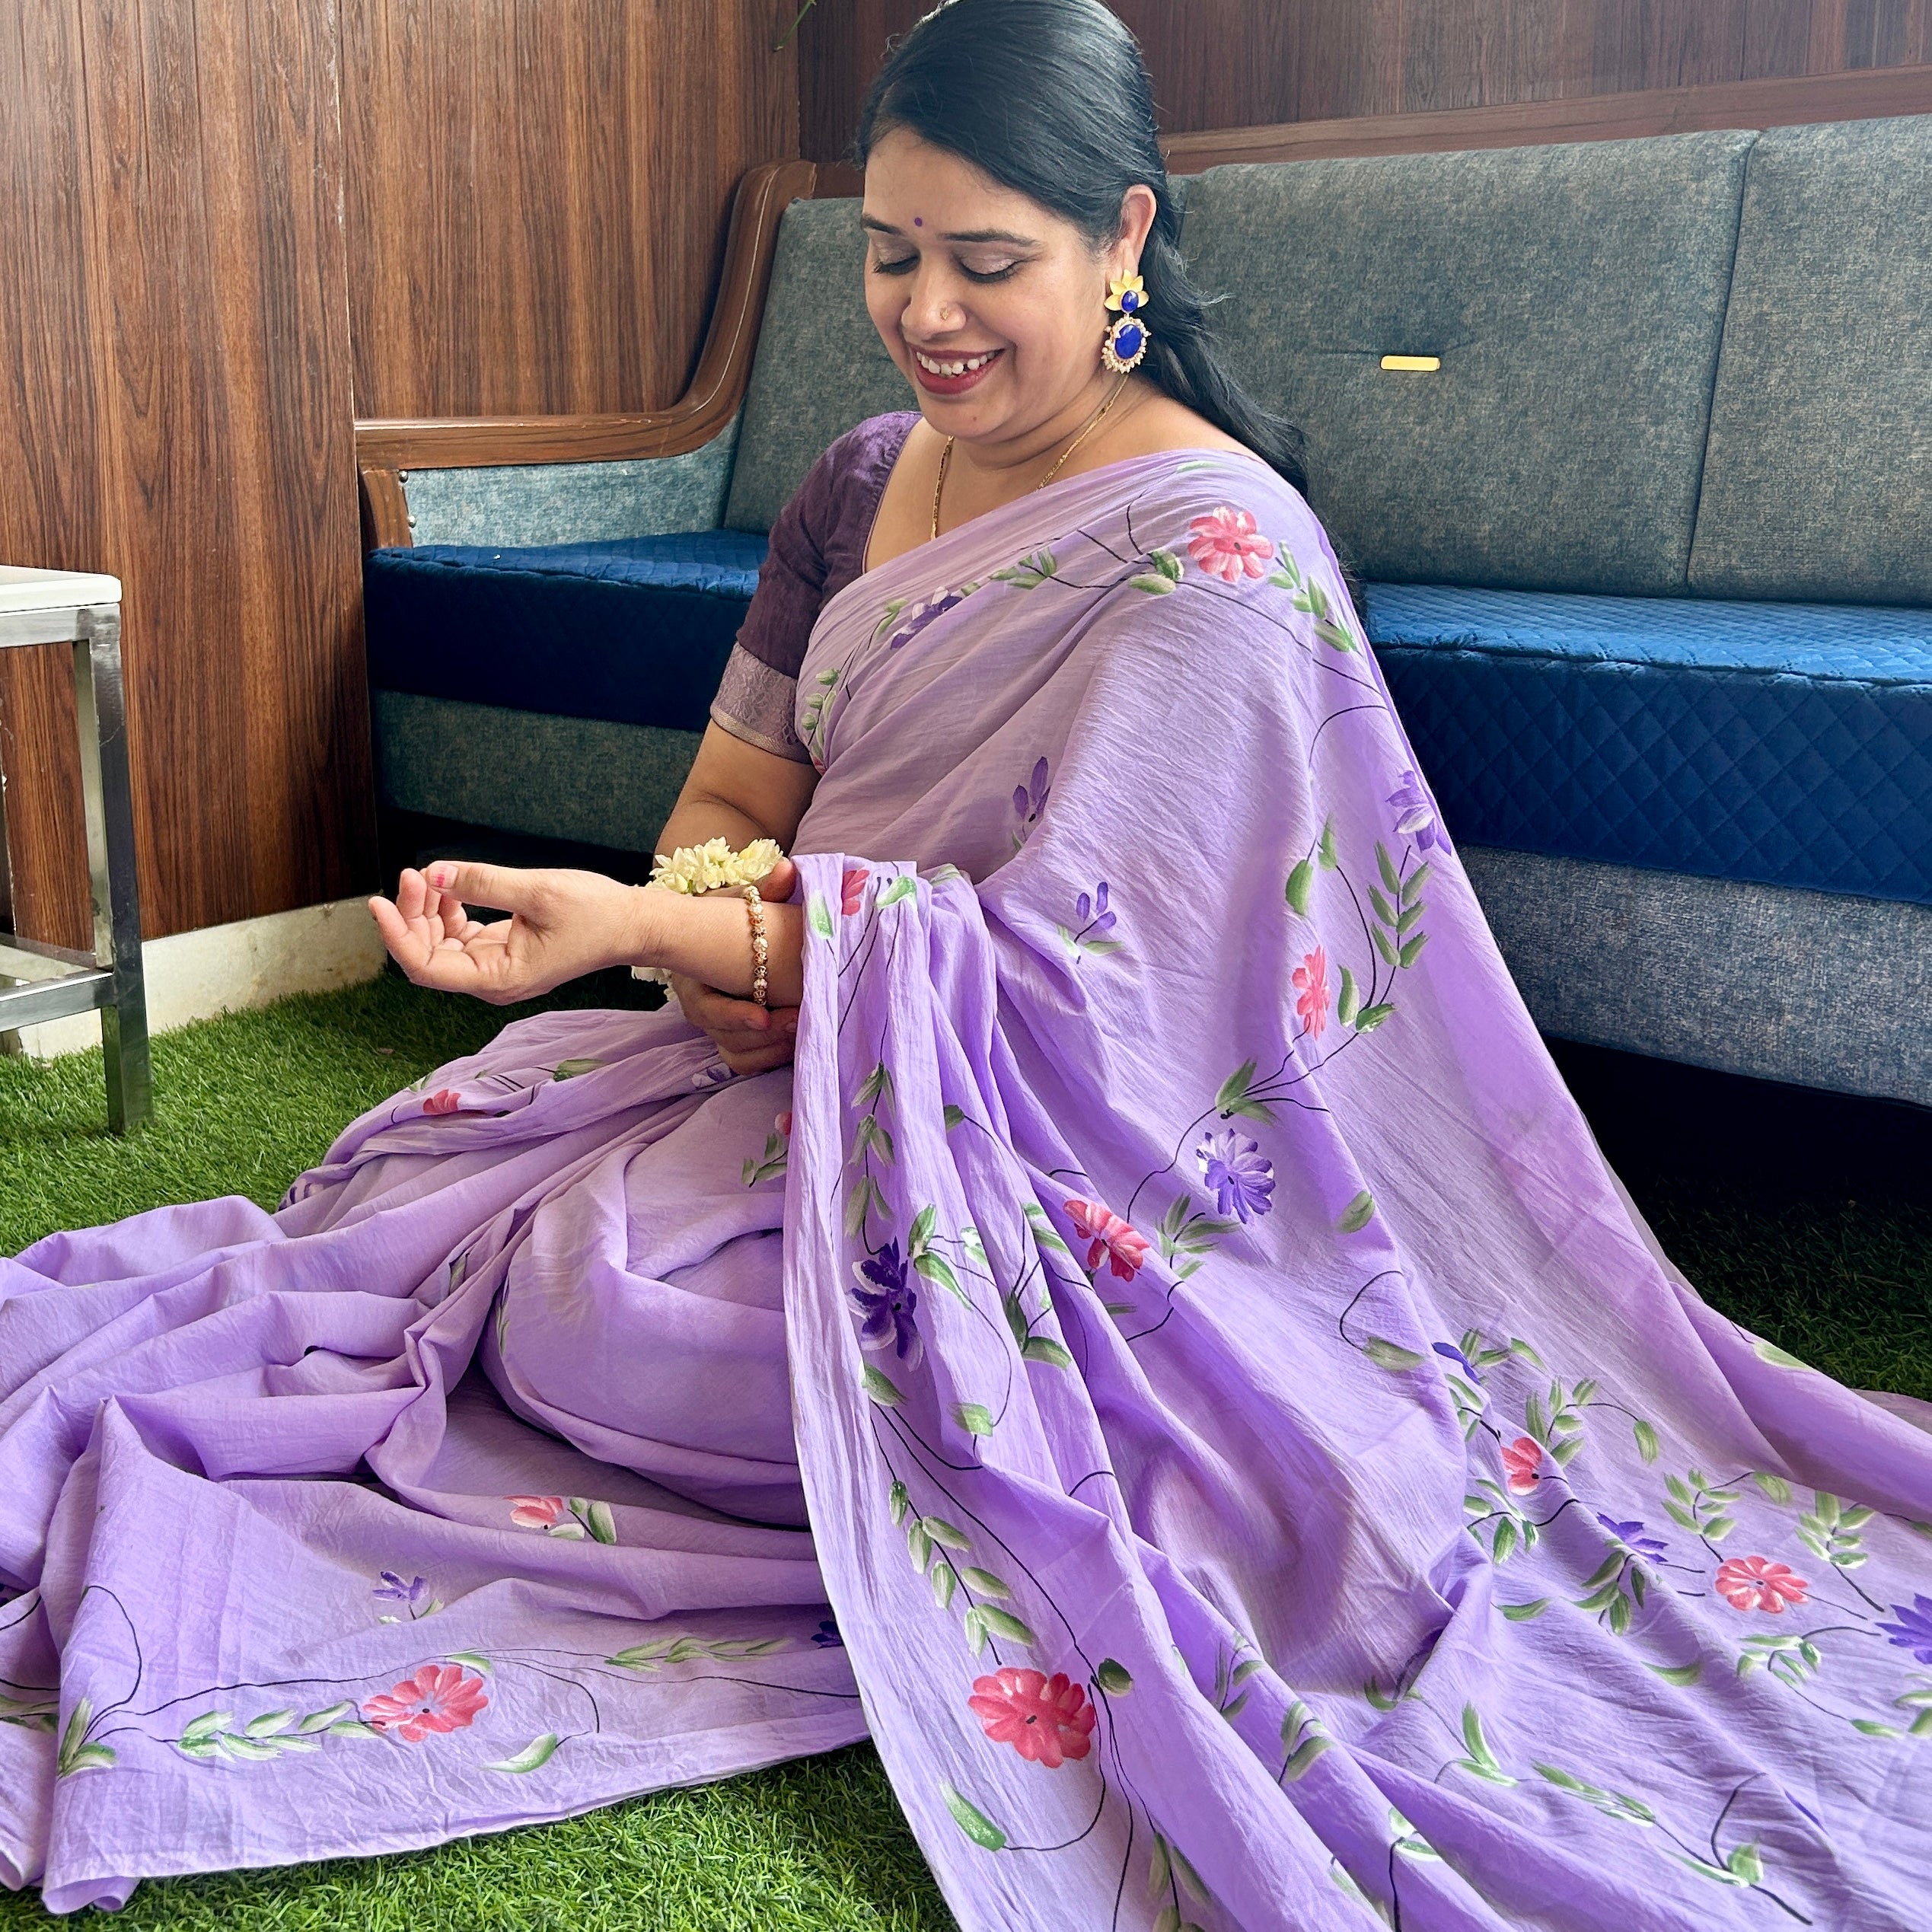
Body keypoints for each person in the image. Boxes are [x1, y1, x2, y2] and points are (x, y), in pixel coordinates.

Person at [4, 2, 1929, 1924]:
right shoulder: (855, 483)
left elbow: (1096, 997)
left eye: (989, 262)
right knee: (460, 1204)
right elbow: (732, 799)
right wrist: (688, 937)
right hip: (790, 1062)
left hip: (1065, 1169)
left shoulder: (1214, 559)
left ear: (1126, 242)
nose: (930, 312)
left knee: (621, 1330)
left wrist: (682, 935)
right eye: (890, 253)